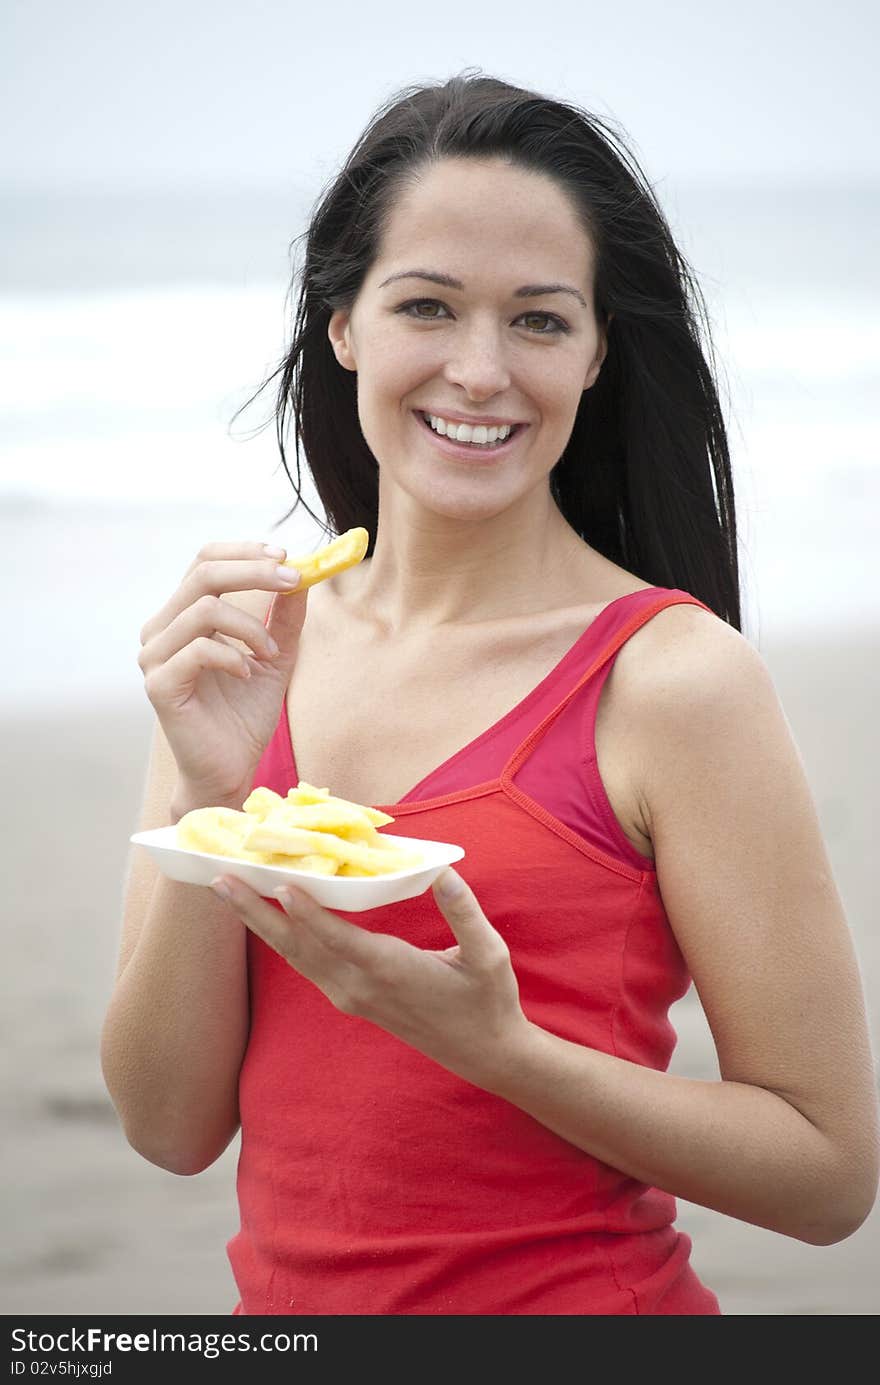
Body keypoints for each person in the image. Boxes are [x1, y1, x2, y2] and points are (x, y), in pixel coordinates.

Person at [101, 70, 879, 1316]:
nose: (478, 370)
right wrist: (210, 786)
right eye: (427, 305)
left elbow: (830, 1174)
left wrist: (496, 1049)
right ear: (343, 322)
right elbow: (167, 1123)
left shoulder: (675, 679)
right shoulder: (253, 646)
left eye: (538, 319)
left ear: (595, 352)